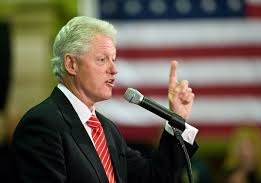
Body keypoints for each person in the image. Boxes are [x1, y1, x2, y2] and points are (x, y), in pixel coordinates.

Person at [12, 16, 199, 183]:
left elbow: (155, 177)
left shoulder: (106, 129)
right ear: (71, 64)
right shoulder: (43, 124)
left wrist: (177, 119)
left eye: (114, 59)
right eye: (102, 59)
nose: (114, 69)